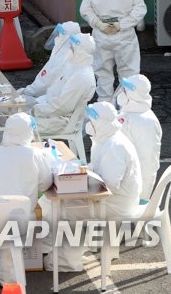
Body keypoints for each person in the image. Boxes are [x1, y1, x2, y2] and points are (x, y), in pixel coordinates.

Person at [45, 101, 142, 273]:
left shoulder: (114, 146)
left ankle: (65, 262)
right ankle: (60, 252)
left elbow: (108, 185)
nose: (88, 124)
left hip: (115, 203)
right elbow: (99, 173)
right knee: (54, 203)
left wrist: (76, 182)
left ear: (102, 122)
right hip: (112, 198)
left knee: (61, 209)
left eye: (92, 120)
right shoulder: (106, 139)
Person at [0, 113, 54, 290]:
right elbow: (46, 183)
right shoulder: (35, 155)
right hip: (20, 221)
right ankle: (9, 279)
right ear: (28, 132)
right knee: (11, 247)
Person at [79, 0, 147, 102]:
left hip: (102, 34)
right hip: (125, 35)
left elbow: (85, 9)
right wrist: (122, 24)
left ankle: (105, 106)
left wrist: (98, 24)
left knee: (103, 71)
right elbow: (140, 9)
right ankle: (127, 104)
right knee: (129, 71)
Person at [32, 33, 96, 137]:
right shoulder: (75, 68)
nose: (69, 49)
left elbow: (61, 107)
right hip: (53, 114)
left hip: (60, 121)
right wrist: (36, 103)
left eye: (71, 47)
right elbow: (54, 94)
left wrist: (36, 109)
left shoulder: (81, 77)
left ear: (79, 52)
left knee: (14, 124)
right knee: (9, 116)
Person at [117, 75, 162, 200]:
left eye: (124, 91)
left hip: (131, 192)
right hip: (121, 181)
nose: (121, 93)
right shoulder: (128, 113)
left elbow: (148, 162)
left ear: (133, 94)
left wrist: (143, 196)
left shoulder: (146, 122)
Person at [19, 21, 82, 107]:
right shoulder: (66, 51)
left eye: (60, 34)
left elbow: (45, 81)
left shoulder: (64, 57)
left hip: (51, 100)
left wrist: (27, 91)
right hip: (55, 97)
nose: (57, 36)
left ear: (66, 36)